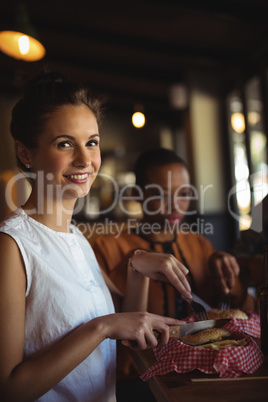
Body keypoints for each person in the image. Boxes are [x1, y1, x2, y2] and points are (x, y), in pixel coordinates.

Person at [0, 71, 191, 402]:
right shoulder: (11, 246)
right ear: (25, 153)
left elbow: (127, 329)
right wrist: (101, 328)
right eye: (65, 144)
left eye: (92, 142)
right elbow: (9, 388)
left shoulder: (76, 237)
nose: (85, 159)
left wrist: (136, 270)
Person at [93, 147, 255, 382]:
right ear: (138, 195)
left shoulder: (199, 245)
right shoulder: (107, 248)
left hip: (203, 372)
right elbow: (109, 326)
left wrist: (230, 278)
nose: (176, 206)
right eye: (162, 195)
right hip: (136, 376)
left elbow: (240, 315)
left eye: (183, 194)